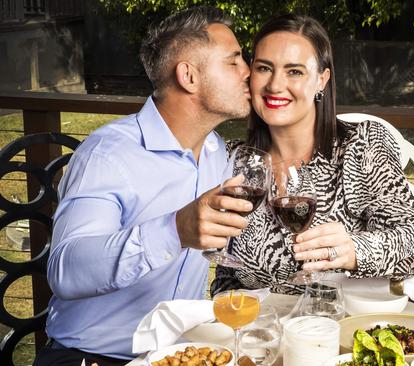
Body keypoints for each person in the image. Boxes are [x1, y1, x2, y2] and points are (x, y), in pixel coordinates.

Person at [35, 7, 253, 365]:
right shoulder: (108, 154)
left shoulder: (216, 152)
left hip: (176, 355)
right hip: (89, 357)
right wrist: (174, 229)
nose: (248, 72)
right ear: (189, 76)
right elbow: (65, 271)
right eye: (234, 62)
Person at [212, 14, 414, 295]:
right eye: (264, 68)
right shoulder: (233, 160)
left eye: (294, 71)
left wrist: (355, 250)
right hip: (259, 331)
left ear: (322, 79)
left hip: (340, 328)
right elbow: (227, 273)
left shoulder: (361, 145)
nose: (274, 85)